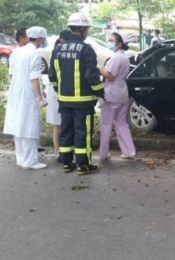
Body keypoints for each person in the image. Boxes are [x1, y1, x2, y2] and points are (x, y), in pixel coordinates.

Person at [48, 13, 104, 175]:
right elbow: (91, 76)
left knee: (66, 130)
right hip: (83, 102)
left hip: (64, 101)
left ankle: (66, 163)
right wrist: (100, 92)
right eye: (86, 29)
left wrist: (61, 90)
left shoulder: (58, 49)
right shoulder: (86, 49)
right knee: (83, 133)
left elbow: (52, 75)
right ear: (81, 29)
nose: (87, 32)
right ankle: (84, 165)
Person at [3, 26, 48, 170]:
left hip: (16, 92)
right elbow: (34, 78)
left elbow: (11, 74)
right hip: (28, 94)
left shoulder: (16, 52)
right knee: (29, 125)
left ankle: (21, 159)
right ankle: (30, 161)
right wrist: (40, 97)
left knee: (18, 125)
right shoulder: (34, 54)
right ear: (40, 38)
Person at [98, 32, 136, 161]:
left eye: (111, 40)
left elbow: (110, 76)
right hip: (122, 93)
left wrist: (99, 68)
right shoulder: (124, 57)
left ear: (119, 43)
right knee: (121, 123)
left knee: (106, 124)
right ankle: (129, 150)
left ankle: (103, 153)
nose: (109, 42)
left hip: (111, 94)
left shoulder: (116, 58)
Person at [45, 30, 71, 156]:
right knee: (57, 123)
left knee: (60, 123)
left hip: (59, 89)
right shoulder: (56, 54)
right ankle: (57, 149)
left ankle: (61, 149)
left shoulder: (58, 52)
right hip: (57, 90)